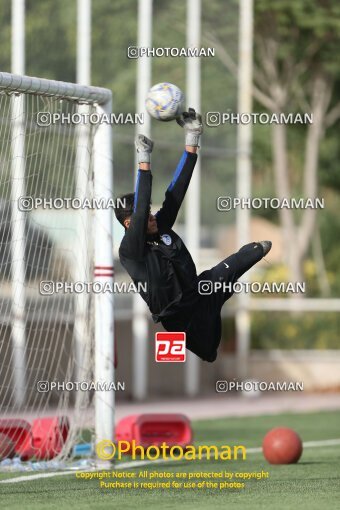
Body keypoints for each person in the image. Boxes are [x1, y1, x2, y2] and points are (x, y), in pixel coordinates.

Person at [114, 109, 271, 362]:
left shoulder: (160, 226)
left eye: (150, 212)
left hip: (202, 292)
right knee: (209, 353)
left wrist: (192, 139)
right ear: (130, 223)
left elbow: (176, 192)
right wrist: (144, 161)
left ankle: (255, 252)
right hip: (179, 319)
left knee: (249, 254)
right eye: (144, 215)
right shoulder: (130, 250)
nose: (152, 216)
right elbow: (142, 207)